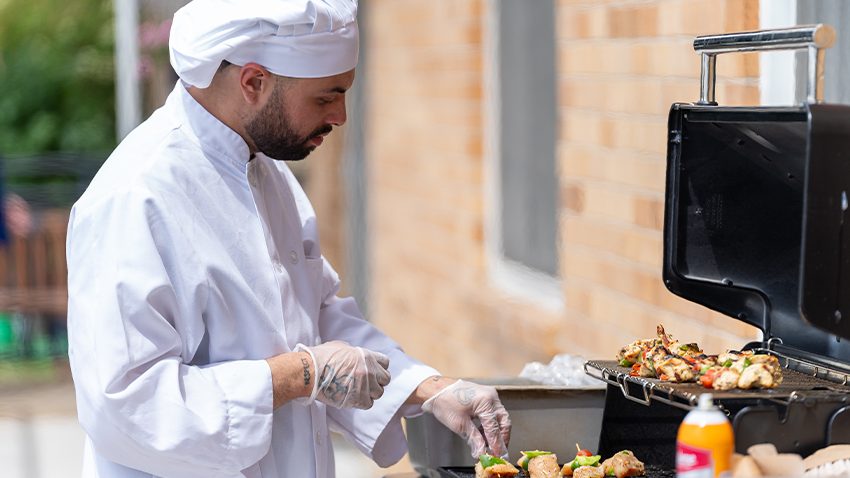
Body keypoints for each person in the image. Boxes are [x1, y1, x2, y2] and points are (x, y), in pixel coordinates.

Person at [66, 1, 511, 477]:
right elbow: (127, 407)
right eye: (326, 97)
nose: (341, 116)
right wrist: (299, 376)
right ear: (254, 82)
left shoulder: (267, 172)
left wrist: (429, 389)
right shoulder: (134, 197)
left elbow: (313, 320)